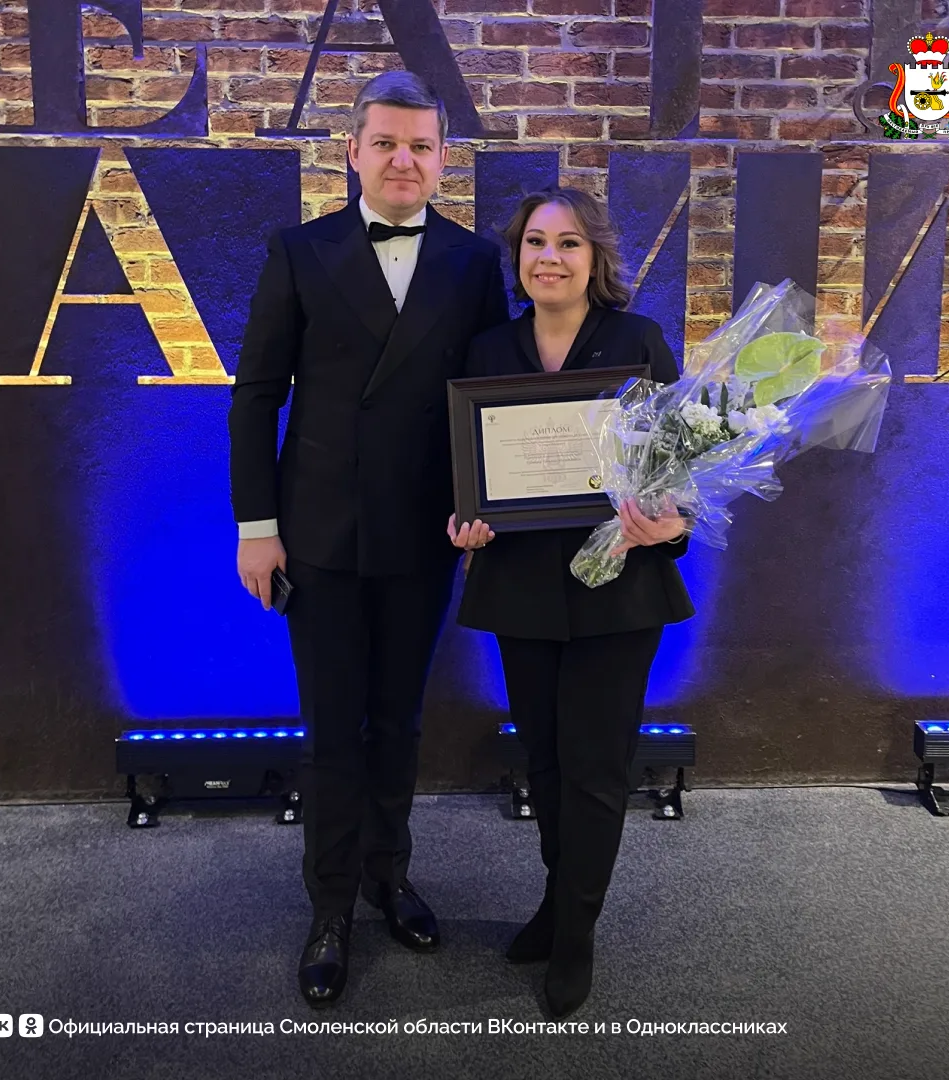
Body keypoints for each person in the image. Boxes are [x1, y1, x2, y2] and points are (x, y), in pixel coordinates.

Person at [229, 71, 508, 1008]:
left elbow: (487, 399)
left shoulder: (474, 261)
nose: (403, 160)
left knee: (399, 723)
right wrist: (257, 528)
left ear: (442, 159)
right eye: (385, 142)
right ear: (351, 151)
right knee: (332, 732)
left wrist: (485, 504)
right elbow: (255, 397)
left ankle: (391, 876)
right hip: (319, 536)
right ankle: (330, 907)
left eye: (421, 146)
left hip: (423, 533)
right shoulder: (299, 250)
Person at [448, 188, 695, 1019]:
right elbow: (465, 470)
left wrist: (670, 523)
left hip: (619, 587)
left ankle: (577, 930)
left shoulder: (637, 341)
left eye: (567, 243)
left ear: (596, 260)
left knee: (594, 767)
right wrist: (464, 520)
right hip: (520, 587)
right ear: (517, 257)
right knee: (546, 762)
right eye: (534, 243)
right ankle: (558, 901)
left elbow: (679, 473)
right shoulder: (489, 349)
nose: (548, 257)